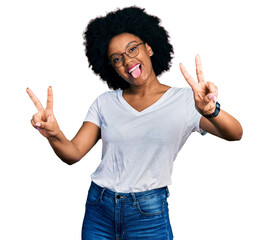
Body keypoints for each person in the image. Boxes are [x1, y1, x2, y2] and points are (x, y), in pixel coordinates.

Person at [26, 6, 243, 240]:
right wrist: (54, 133)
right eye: (117, 59)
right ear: (112, 67)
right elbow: (73, 153)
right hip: (99, 209)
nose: (128, 60)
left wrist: (212, 111)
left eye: (132, 49)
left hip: (148, 213)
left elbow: (235, 133)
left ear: (148, 47)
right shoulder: (105, 103)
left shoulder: (186, 100)